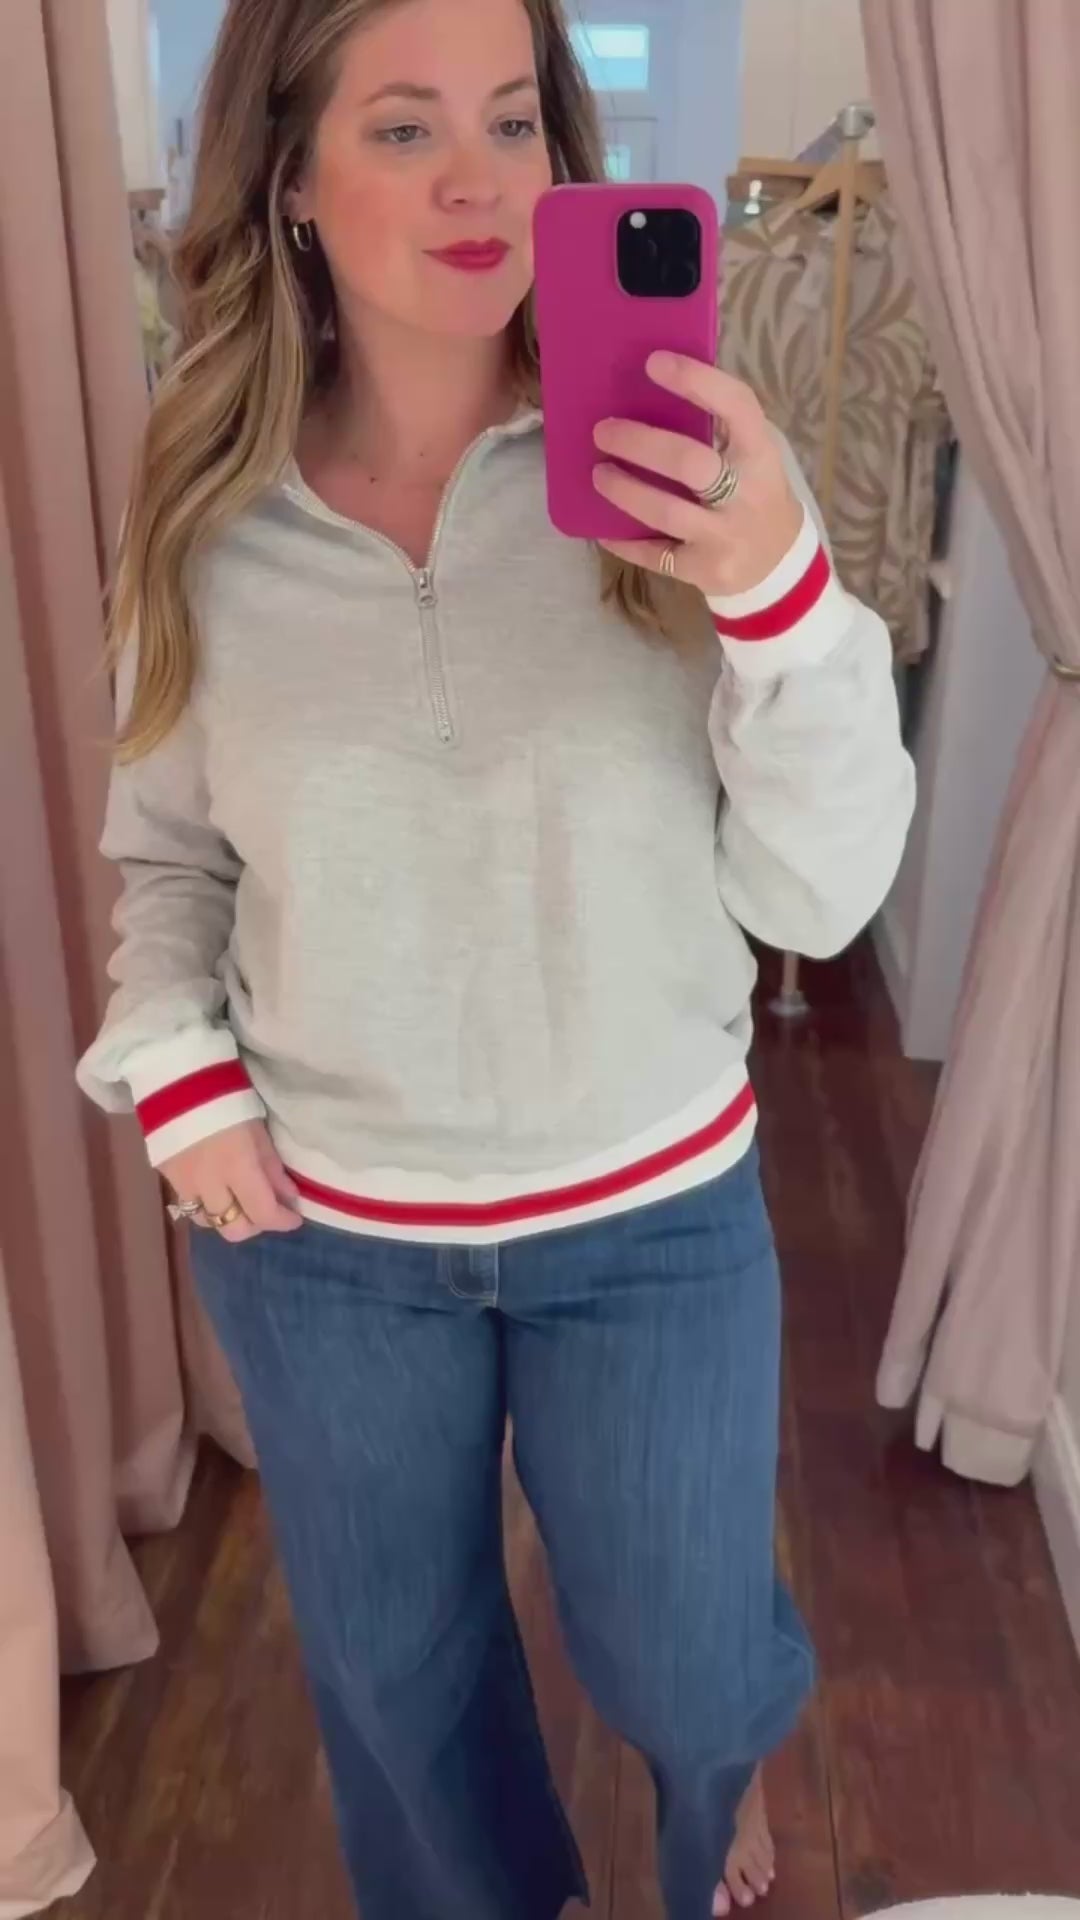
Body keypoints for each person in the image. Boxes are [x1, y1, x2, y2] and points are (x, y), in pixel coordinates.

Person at [78, 0, 915, 1915]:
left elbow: (818, 900)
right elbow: (170, 855)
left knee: (690, 1666)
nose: (481, 182)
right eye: (403, 128)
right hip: (325, 1237)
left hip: (651, 1211)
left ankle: (712, 1772)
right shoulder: (199, 517)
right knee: (398, 1684)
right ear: (290, 179)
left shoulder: (682, 478)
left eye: (516, 120)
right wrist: (179, 1069)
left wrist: (776, 592)